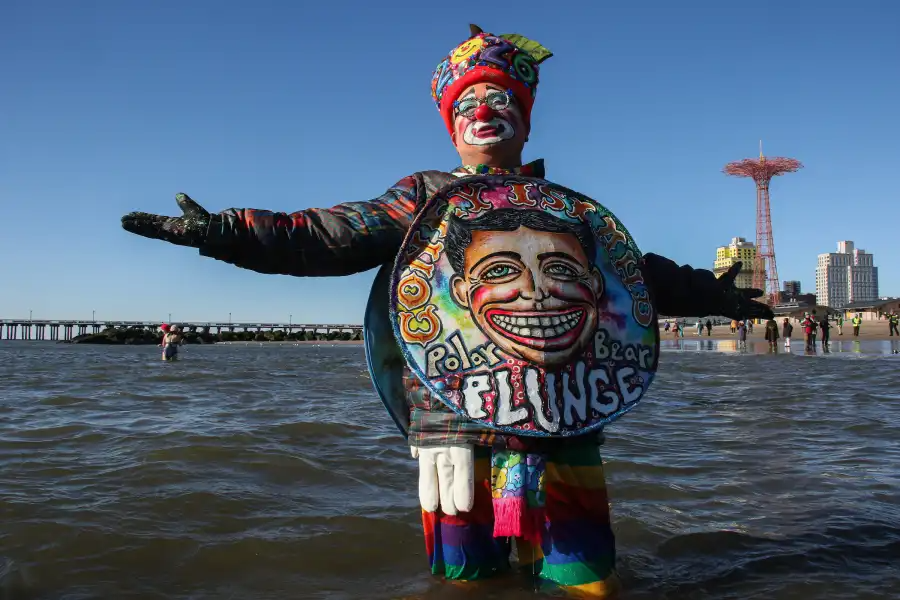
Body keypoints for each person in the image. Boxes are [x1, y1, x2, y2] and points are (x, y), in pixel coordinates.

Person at [120, 25, 773, 597]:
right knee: (468, 579)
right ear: (449, 122)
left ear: (525, 117)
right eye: (467, 102)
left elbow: (635, 275)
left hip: (566, 418)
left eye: (498, 99)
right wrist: (225, 231)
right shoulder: (421, 198)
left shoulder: (565, 207)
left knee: (586, 579)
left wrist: (716, 294)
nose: (483, 110)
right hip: (455, 422)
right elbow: (325, 234)